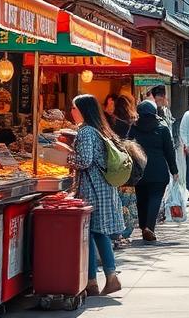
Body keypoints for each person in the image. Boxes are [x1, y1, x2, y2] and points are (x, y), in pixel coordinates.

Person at [71, 94, 126, 295]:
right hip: (101, 187)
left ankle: (110, 277)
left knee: (95, 233)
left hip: (93, 189)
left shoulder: (86, 132)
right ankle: (93, 281)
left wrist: (64, 156)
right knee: (94, 232)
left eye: (74, 108)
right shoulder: (99, 130)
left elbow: (84, 161)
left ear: (83, 110)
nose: (72, 112)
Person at [129, 100, 179, 241]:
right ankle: (149, 227)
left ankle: (144, 225)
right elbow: (169, 152)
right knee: (155, 199)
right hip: (158, 171)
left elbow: (127, 148)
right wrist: (174, 170)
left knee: (141, 199)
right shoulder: (162, 129)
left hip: (139, 171)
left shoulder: (133, 129)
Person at [107, 95, 140, 248]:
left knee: (116, 200)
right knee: (127, 201)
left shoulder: (111, 121)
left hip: (113, 162)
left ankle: (116, 233)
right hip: (126, 160)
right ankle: (124, 234)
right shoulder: (131, 120)